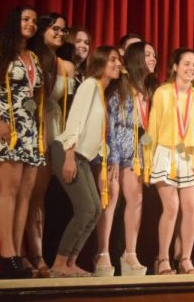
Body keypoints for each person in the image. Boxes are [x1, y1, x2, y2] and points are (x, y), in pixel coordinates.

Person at [0, 6, 44, 278]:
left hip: (28, 129)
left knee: (25, 192)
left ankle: (18, 254)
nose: (31, 24)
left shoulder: (32, 55)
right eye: (26, 19)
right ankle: (7, 253)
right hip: (4, 124)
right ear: (15, 22)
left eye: (35, 21)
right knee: (9, 189)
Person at [48, 46, 121, 277]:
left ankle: (70, 262)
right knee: (85, 209)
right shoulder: (90, 85)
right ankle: (59, 263)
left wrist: (107, 158)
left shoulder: (102, 92)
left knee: (96, 210)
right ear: (100, 62)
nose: (117, 64)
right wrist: (69, 157)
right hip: (68, 152)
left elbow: (95, 133)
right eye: (112, 60)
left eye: (118, 61)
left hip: (83, 157)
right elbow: (75, 121)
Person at [93, 41, 159, 277]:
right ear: (136, 58)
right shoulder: (120, 84)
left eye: (154, 55)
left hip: (137, 153)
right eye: (148, 55)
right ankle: (102, 253)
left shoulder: (150, 88)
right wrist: (111, 156)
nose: (153, 59)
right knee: (110, 199)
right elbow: (109, 120)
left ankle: (130, 254)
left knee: (136, 199)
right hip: (114, 149)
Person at [145, 48, 194, 275]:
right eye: (187, 64)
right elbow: (151, 129)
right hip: (165, 154)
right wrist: (146, 160)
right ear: (175, 66)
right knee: (171, 207)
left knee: (191, 208)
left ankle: (185, 259)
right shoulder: (162, 93)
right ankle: (162, 259)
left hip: (189, 157)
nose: (191, 68)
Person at [25, 12, 78, 278]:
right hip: (32, 129)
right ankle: (29, 257)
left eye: (63, 30)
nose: (59, 33)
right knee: (30, 196)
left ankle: (44, 256)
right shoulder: (31, 60)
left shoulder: (67, 66)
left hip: (56, 131)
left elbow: (70, 109)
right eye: (54, 28)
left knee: (43, 197)